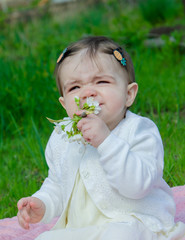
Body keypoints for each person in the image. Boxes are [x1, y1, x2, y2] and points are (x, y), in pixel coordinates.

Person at [17, 36, 185, 240]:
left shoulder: (139, 131)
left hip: (135, 221)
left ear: (129, 94)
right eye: (74, 88)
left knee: (121, 235)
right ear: (64, 104)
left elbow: (138, 185)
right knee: (44, 239)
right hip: (83, 229)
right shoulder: (62, 136)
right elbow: (56, 184)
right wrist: (42, 204)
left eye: (101, 81)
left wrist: (105, 141)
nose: (87, 93)